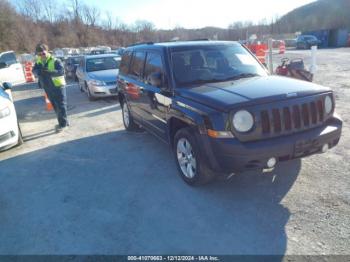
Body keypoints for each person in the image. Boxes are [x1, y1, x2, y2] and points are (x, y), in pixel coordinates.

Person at [32, 43, 69, 132]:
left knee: (61, 105)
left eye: (43, 53)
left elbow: (61, 71)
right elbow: (33, 70)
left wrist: (50, 72)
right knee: (55, 106)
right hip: (47, 87)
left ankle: (63, 125)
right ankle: (62, 122)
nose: (42, 56)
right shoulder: (38, 62)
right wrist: (38, 72)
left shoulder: (55, 60)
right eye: (39, 54)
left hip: (58, 86)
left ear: (47, 51)